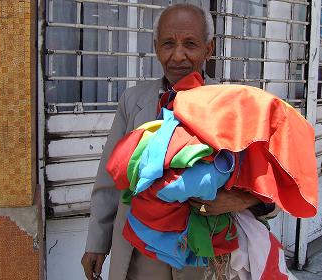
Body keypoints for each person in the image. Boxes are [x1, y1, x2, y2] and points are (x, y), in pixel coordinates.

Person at [81, 4, 277, 280]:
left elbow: (272, 188)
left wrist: (238, 201)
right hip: (140, 257)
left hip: (205, 262)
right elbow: (110, 180)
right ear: (156, 47)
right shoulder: (133, 101)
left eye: (190, 44)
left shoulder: (234, 106)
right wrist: (96, 244)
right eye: (168, 44)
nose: (178, 56)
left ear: (209, 49)